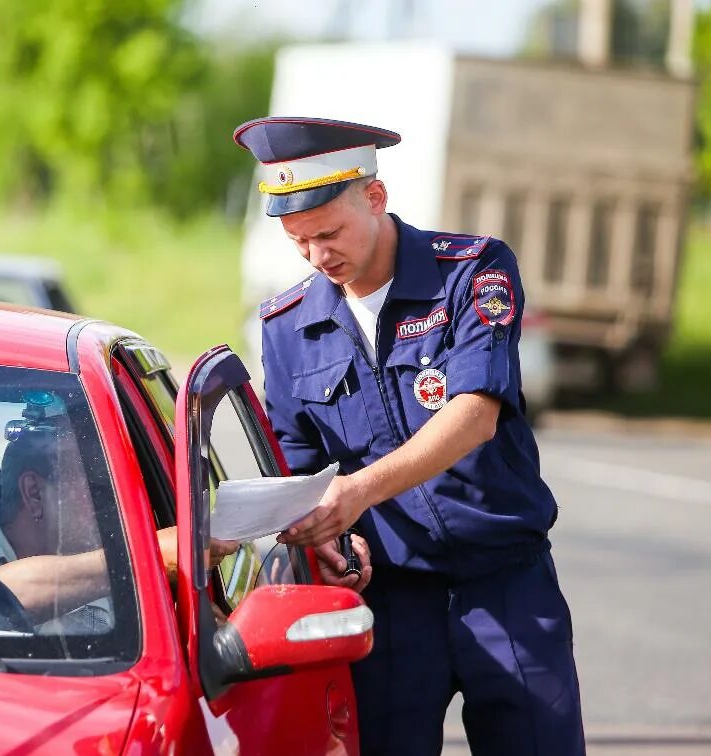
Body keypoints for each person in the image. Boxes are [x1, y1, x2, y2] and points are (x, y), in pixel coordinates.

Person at [235, 117, 585, 755]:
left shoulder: (471, 273)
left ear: (375, 198)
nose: (318, 256)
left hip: (505, 585)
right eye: (299, 242)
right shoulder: (286, 327)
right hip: (389, 605)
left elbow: (476, 413)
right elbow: (298, 473)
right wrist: (331, 539)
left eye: (329, 233)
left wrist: (359, 491)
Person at [0, 414, 244, 628]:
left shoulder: (121, 585)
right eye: (97, 484)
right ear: (35, 494)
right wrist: (142, 557)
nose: (115, 500)